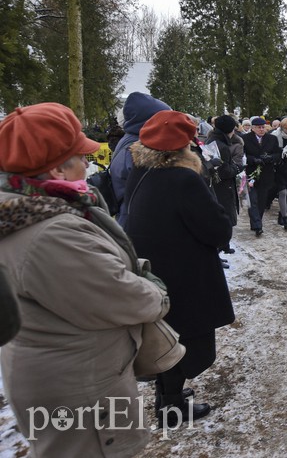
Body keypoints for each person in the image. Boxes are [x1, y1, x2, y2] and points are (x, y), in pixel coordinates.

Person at [0, 103, 168, 455]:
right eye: (80, 155)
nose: (89, 163)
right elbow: (121, 297)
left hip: (69, 370)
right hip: (82, 388)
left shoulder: (38, 209)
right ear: (55, 167)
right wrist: (156, 291)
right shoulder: (50, 233)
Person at [124, 110, 235, 428]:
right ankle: (170, 407)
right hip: (184, 274)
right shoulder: (184, 178)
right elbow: (216, 230)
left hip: (156, 269)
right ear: (183, 146)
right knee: (185, 342)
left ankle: (166, 399)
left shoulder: (141, 169)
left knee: (166, 336)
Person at [110, 91, 171, 228]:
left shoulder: (130, 140)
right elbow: (152, 194)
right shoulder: (137, 149)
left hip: (130, 218)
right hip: (136, 223)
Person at [205, 115, 241, 238]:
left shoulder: (211, 140)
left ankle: (223, 245)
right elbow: (224, 171)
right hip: (223, 186)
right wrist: (237, 168)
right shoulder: (223, 146)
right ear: (230, 130)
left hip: (214, 184)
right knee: (224, 215)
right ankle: (222, 244)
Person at [243, 117, 281, 234]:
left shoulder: (272, 138)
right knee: (253, 200)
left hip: (266, 173)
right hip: (251, 173)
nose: (261, 129)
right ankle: (257, 225)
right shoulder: (244, 139)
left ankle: (257, 220)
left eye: (263, 127)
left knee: (262, 200)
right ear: (253, 128)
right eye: (258, 127)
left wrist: (270, 158)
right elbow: (242, 155)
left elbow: (278, 154)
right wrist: (253, 159)